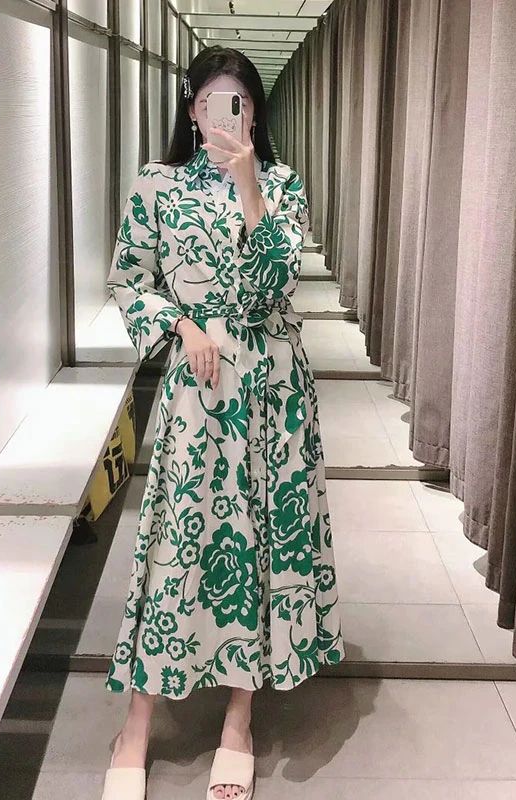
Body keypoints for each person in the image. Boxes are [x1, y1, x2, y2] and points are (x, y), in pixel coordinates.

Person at [101, 45, 344, 800]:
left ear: (255, 114)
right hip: (199, 388)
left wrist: (248, 187)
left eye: (241, 102)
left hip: (274, 388)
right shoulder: (157, 184)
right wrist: (181, 325)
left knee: (263, 542)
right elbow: (128, 279)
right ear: (191, 111)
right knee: (179, 541)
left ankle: (239, 719)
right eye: (213, 101)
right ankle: (136, 724)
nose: (227, 115)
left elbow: (275, 283)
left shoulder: (281, 185)